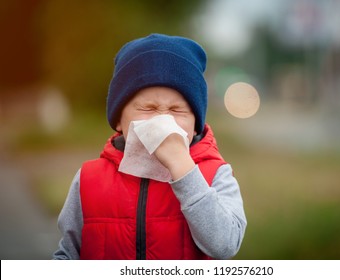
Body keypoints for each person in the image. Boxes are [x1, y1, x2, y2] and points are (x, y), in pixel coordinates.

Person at [53, 33, 247, 260]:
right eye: (148, 108)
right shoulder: (88, 179)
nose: (163, 121)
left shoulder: (216, 175)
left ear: (195, 125)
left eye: (177, 110)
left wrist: (183, 168)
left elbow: (225, 246)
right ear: (118, 121)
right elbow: (68, 253)